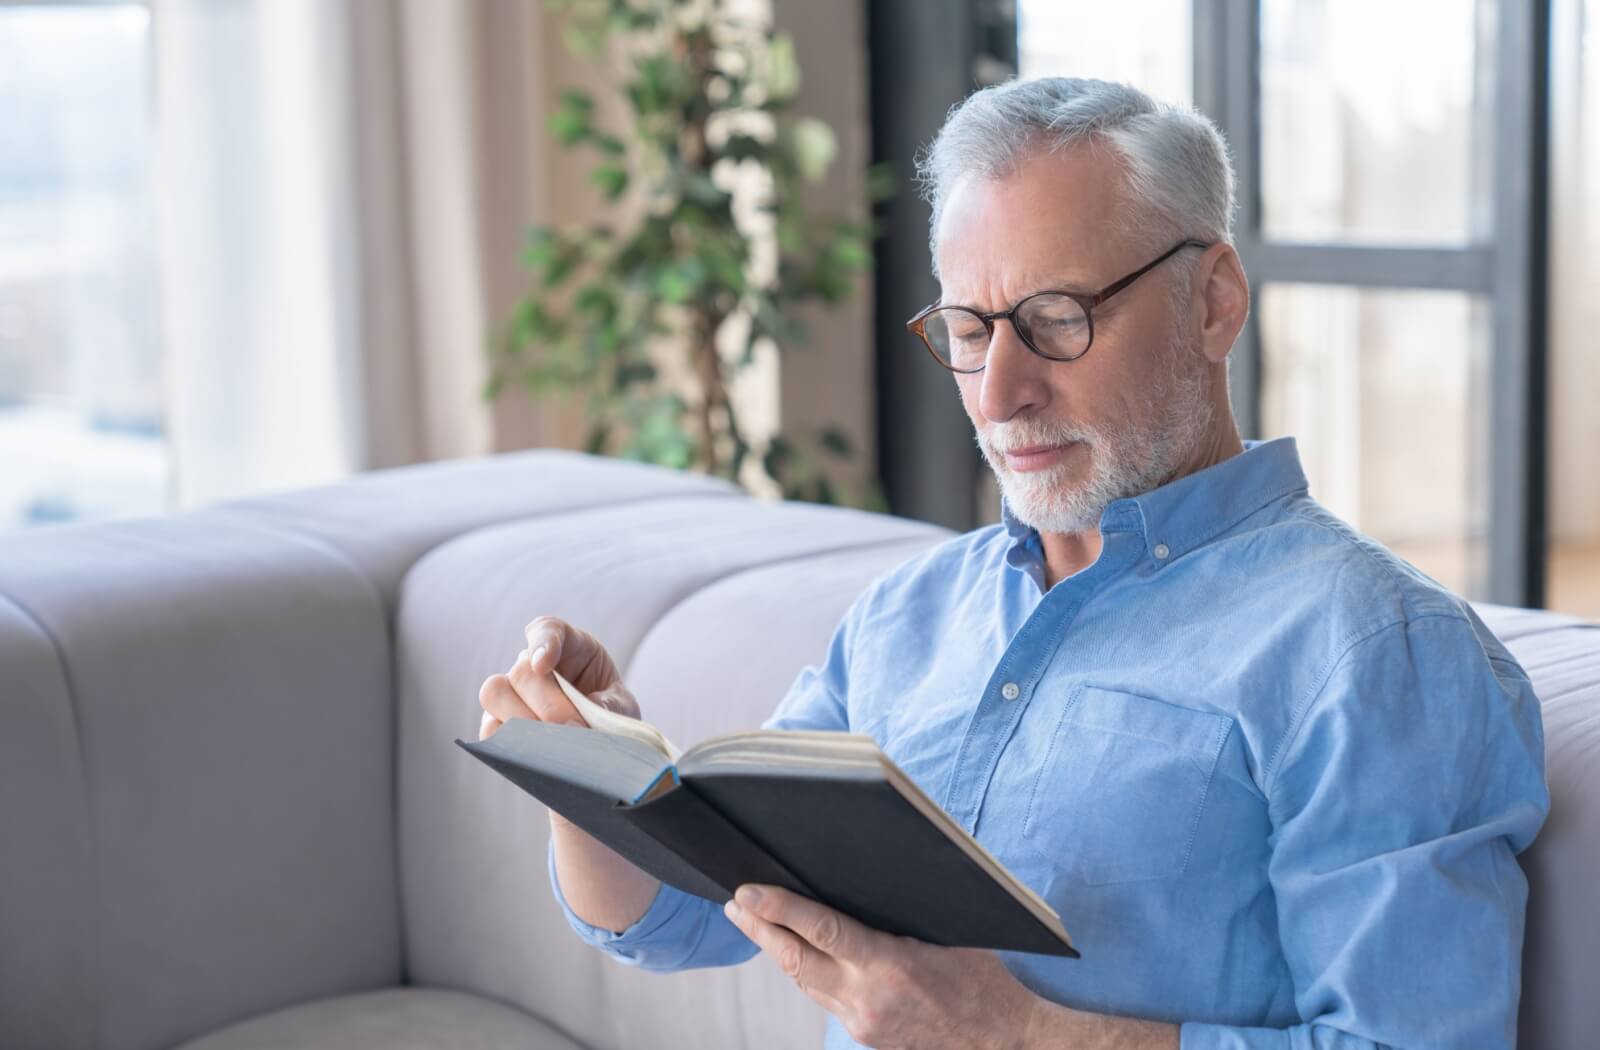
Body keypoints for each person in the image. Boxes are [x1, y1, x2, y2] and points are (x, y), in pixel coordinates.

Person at [477, 78, 1548, 1050]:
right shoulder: (910, 614)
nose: (997, 393)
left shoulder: (1371, 651)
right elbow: (684, 924)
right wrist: (602, 781)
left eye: (1055, 319)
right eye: (969, 329)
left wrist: (1020, 1036)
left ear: (1213, 302)